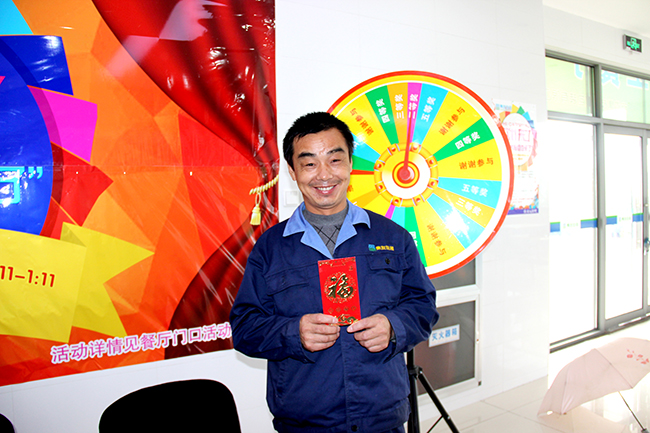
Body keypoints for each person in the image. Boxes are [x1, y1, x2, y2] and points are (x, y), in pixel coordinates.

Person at [230, 112, 438, 433]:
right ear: (292, 171)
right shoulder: (270, 248)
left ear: (350, 164)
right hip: (305, 421)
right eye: (309, 163)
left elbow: (423, 307)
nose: (324, 174)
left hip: (381, 416)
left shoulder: (393, 237)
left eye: (335, 160)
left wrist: (393, 327)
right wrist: (293, 333)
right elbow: (245, 328)